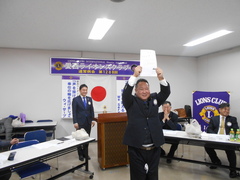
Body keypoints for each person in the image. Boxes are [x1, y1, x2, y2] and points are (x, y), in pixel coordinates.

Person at [122, 65, 170, 180]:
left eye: (146, 89)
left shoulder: (154, 99)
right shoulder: (130, 102)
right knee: (138, 176)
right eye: (141, 89)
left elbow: (165, 92)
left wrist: (161, 78)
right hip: (136, 148)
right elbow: (125, 93)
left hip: (154, 148)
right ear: (136, 90)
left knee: (153, 176)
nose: (144, 91)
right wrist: (134, 76)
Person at [204, 103, 239, 178]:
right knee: (207, 146)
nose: (227, 111)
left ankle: (233, 170)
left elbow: (236, 130)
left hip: (227, 140)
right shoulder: (214, 118)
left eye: (228, 109)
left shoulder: (232, 119)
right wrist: (215, 136)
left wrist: (229, 136)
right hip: (216, 139)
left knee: (231, 150)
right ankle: (216, 162)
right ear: (220, 110)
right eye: (225, 109)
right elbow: (209, 129)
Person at [72, 84, 95, 161]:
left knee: (86, 138)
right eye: (83, 90)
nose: (85, 91)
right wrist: (75, 122)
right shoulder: (76, 100)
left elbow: (91, 110)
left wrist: (92, 120)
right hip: (79, 122)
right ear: (80, 90)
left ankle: (85, 153)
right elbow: (74, 112)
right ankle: (80, 154)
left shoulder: (89, 99)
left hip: (88, 121)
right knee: (79, 138)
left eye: (86, 90)